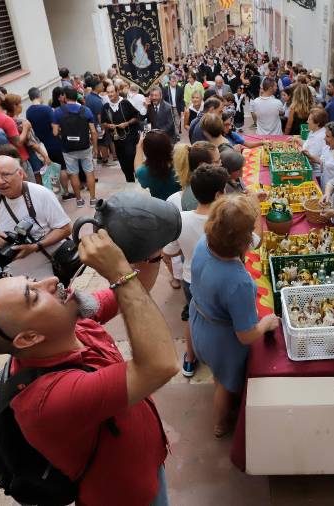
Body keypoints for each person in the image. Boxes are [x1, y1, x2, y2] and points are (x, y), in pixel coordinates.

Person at [0, 229, 178, 505]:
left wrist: (150, 248)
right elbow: (160, 365)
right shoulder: (49, 399)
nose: (51, 281)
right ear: (29, 338)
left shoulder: (71, 324)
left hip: (146, 461)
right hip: (126, 495)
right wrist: (120, 273)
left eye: (33, 280)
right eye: (35, 296)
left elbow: (137, 289)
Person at [189, 194, 281, 437]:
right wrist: (265, 323)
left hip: (199, 321)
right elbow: (247, 336)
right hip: (223, 341)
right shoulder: (237, 281)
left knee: (216, 372)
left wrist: (254, 209)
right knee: (224, 383)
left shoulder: (203, 242)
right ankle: (220, 423)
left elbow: (254, 241)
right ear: (241, 241)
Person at [163, 165, 230, 377]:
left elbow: (170, 251)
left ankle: (190, 358)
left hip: (191, 278)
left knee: (192, 315)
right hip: (222, 280)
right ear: (219, 194)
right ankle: (222, 357)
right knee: (223, 317)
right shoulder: (225, 220)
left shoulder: (181, 219)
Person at [0, 155, 71, 279]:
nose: (0, 181)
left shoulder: (42, 194)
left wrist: (35, 246)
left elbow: (65, 229)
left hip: (51, 266)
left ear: (20, 173)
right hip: (16, 274)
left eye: (6, 174)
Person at [53, 87, 99, 207]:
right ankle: (93, 199)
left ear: (65, 97)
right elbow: (93, 132)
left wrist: (62, 132)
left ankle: (79, 200)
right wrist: (95, 147)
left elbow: (55, 132)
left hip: (68, 149)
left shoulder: (58, 111)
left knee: (73, 174)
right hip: (84, 146)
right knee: (89, 172)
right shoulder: (86, 110)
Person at [27, 87, 73, 200]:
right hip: (53, 142)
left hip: (41, 145)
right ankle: (66, 193)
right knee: (61, 167)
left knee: (50, 168)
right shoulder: (46, 109)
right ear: (39, 95)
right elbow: (55, 128)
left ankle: (56, 191)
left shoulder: (28, 111)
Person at [100, 87, 141, 184]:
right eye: (108, 92)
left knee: (130, 155)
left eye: (112, 92)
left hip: (130, 136)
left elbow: (136, 117)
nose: (110, 94)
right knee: (122, 160)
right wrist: (109, 125)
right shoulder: (106, 107)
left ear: (117, 92)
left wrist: (127, 123)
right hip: (117, 139)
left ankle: (137, 174)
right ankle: (130, 180)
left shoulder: (125, 103)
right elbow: (103, 123)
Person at [0, 94, 43, 181]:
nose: (21, 105)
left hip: (16, 155)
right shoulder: (20, 122)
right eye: (20, 103)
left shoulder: (6, 119)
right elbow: (31, 143)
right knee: (35, 181)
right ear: (14, 106)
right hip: (26, 155)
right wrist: (45, 156)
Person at [0, 85, 29, 162]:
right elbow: (18, 142)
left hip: (3, 158)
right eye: (1, 94)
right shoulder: (6, 119)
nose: (4, 95)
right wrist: (26, 127)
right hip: (19, 158)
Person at [135, 130, 181, 201]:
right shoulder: (180, 164)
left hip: (161, 207)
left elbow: (137, 169)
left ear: (147, 151)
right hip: (181, 205)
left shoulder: (144, 172)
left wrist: (139, 146)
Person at [83, 77, 110, 165]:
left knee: (96, 142)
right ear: (97, 87)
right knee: (103, 143)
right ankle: (105, 160)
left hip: (90, 125)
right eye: (102, 86)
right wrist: (103, 128)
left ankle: (98, 157)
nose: (103, 87)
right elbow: (100, 116)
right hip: (98, 125)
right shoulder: (97, 101)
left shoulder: (87, 97)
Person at [299, 107, 329, 179]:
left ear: (317, 123)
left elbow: (310, 158)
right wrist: (297, 140)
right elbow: (307, 145)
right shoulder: (314, 130)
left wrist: (299, 149)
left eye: (309, 119)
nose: (307, 121)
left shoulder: (320, 137)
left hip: (315, 173)